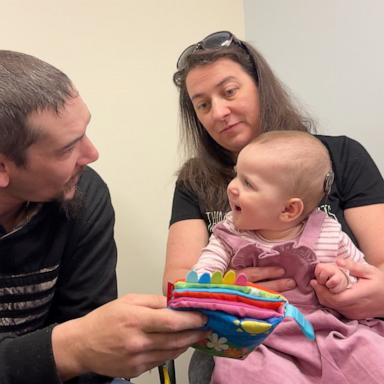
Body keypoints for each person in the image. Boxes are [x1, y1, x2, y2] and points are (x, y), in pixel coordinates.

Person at [162, 31, 384, 383]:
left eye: (229, 91)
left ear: (260, 86)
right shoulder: (194, 182)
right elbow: (178, 283)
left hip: (340, 325)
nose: (218, 112)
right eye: (202, 104)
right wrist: (232, 292)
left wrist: (354, 288)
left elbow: (375, 263)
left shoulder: (339, 157)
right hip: (249, 335)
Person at [0, 50, 208, 384]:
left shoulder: (82, 192)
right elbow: (81, 345)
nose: (92, 154)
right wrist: (74, 347)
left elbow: (89, 332)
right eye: (68, 148)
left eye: (84, 131)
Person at [192, 130, 384, 382]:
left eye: (247, 183)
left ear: (289, 209)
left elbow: (358, 271)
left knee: (371, 356)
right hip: (259, 336)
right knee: (246, 372)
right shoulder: (230, 232)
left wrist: (341, 279)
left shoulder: (326, 232)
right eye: (237, 175)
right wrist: (204, 283)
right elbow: (207, 266)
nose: (232, 187)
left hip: (329, 329)